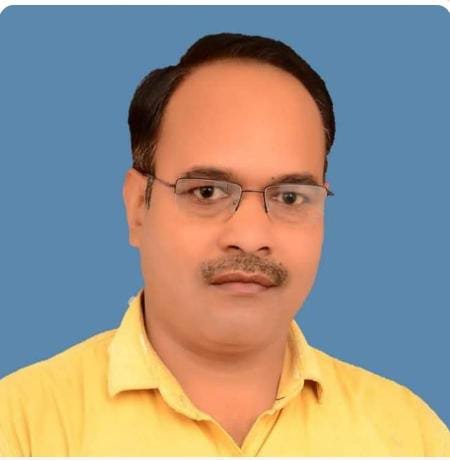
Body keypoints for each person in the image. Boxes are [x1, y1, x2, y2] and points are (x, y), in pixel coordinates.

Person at [0, 32, 448, 457]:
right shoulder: (22, 427)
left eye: (290, 197)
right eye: (207, 192)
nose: (250, 237)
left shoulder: (409, 435)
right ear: (138, 206)